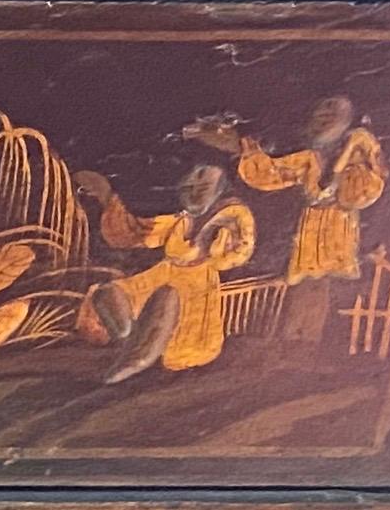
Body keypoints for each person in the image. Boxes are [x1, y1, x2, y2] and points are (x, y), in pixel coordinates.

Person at [75, 162, 256, 380]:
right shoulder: (180, 221)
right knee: (107, 294)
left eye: (203, 185)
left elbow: (234, 255)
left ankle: (138, 359)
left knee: (167, 296)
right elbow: (136, 231)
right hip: (162, 275)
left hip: (193, 288)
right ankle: (131, 342)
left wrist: (217, 236)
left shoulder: (233, 215)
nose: (194, 190)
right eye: (190, 184)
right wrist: (106, 195)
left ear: (219, 190)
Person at [229, 96, 387, 340]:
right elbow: (271, 173)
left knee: (324, 287)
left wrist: (350, 150)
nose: (324, 116)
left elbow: (350, 195)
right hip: (309, 233)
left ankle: (312, 341)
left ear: (348, 123)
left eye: (334, 112)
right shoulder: (310, 158)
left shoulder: (357, 165)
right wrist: (249, 149)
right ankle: (295, 340)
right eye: (321, 110)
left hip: (338, 233)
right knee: (302, 288)